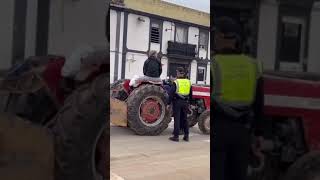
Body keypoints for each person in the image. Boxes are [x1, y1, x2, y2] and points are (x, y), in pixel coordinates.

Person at [212, 16, 264, 180]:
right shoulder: (254, 65)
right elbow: (259, 104)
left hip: (218, 130)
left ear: (220, 36)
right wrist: (259, 134)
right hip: (242, 132)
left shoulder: (213, 64)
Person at [167, 67, 192, 142]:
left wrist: (168, 103)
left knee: (177, 119)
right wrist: (190, 103)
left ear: (178, 73)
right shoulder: (188, 82)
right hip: (186, 102)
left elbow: (171, 93)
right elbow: (191, 94)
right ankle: (186, 136)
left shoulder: (176, 82)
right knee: (185, 119)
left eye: (177, 72)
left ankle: (176, 136)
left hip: (177, 102)